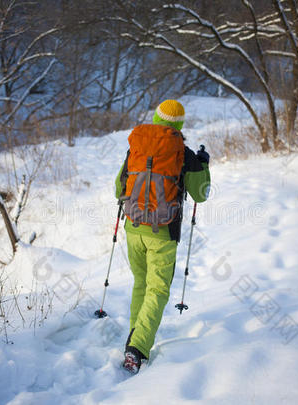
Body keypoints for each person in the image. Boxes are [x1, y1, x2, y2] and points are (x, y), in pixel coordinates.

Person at [114, 99, 211, 374]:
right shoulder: (184, 152)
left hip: (133, 228)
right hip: (163, 232)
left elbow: (117, 188)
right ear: (179, 124)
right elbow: (201, 195)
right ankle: (137, 349)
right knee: (157, 289)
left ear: (157, 119)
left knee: (141, 284)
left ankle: (135, 336)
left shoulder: (136, 145)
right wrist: (203, 166)